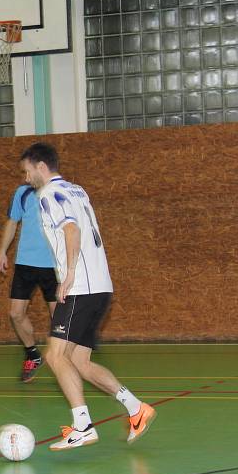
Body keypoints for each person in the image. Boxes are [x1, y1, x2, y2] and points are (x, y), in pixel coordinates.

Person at [19, 142, 156, 451]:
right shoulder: (77, 190)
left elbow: (70, 231)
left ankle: (82, 425)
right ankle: (136, 409)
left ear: (41, 167)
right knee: (79, 361)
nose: (26, 179)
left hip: (80, 287)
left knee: (54, 356)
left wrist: (67, 275)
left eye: (27, 172)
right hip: (101, 286)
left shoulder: (48, 195)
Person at [0, 182, 57, 382]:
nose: (26, 175)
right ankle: (33, 354)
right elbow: (12, 222)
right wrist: (2, 251)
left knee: (58, 318)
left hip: (53, 265)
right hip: (25, 264)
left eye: (28, 170)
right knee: (16, 313)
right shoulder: (22, 193)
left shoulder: (58, 192)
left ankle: (62, 360)